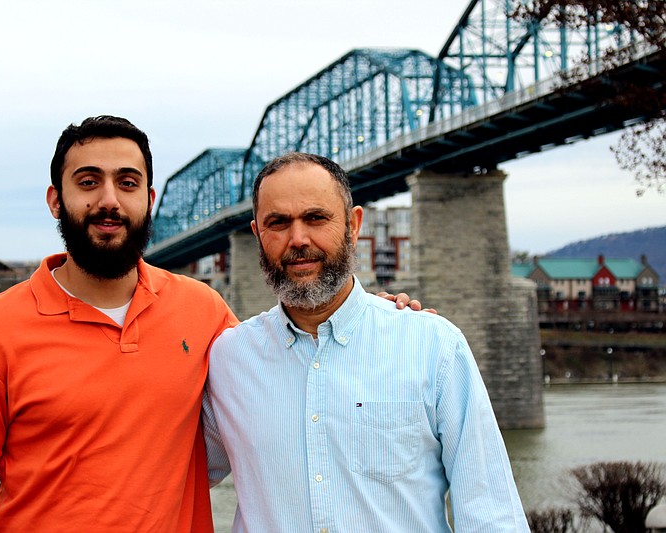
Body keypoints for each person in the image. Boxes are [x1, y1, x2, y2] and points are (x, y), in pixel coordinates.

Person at [0, 116, 420, 532]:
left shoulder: (202, 311)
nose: (109, 200)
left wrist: (369, 315)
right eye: (88, 182)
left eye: (127, 183)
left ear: (147, 198)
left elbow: (293, 357)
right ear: (55, 200)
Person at [203, 152, 530, 532]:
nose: (298, 239)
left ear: (354, 225)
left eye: (316, 218)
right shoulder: (228, 359)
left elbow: (491, 513)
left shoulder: (433, 346)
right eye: (278, 223)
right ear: (258, 235)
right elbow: (175, 476)